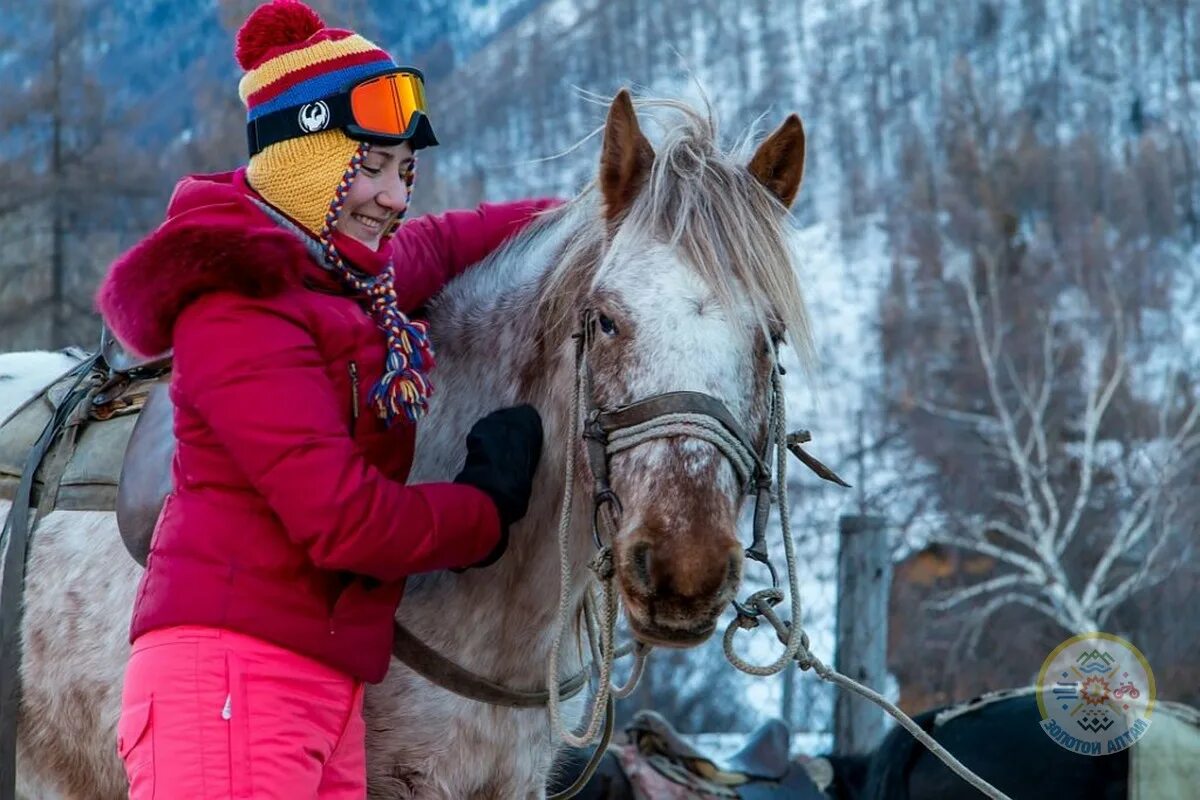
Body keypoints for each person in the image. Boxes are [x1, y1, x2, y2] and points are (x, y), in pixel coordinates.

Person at [95, 1, 559, 796]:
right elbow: (343, 522)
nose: (392, 196)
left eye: (404, 172)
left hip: (319, 689)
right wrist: (483, 508)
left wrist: (589, 219)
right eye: (370, 165)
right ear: (305, 163)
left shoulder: (344, 280)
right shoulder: (239, 306)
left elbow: (442, 243)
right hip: (231, 681)